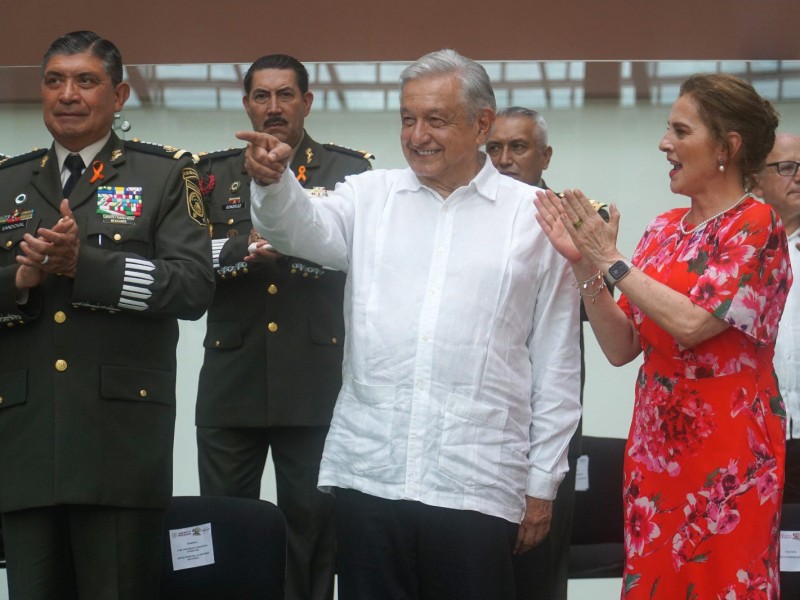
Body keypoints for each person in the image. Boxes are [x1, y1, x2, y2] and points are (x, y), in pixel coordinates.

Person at [238, 48, 582, 600]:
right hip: (371, 474)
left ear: (482, 123)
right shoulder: (371, 195)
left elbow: (558, 363)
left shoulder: (534, 217)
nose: (417, 134)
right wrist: (274, 183)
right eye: (407, 119)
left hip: (478, 480)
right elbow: (298, 231)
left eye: (436, 120)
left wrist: (542, 483)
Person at [535, 73, 790, 598]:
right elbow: (621, 346)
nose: (664, 144)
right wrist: (585, 265)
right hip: (655, 451)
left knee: (721, 583)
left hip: (727, 454)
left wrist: (610, 258)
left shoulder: (756, 224)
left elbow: (695, 323)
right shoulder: (662, 229)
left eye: (680, 130)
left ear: (727, 147)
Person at [0, 31, 214, 599]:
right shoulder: (7, 182)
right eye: (54, 81)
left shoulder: (166, 175)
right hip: (23, 444)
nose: (67, 94)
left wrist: (85, 266)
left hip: (118, 445)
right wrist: (19, 280)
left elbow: (194, 288)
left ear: (119, 96)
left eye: (85, 81)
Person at [195, 53, 372, 600]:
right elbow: (185, 258)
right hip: (233, 377)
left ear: (307, 102)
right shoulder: (209, 172)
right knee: (225, 528)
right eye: (262, 96)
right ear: (246, 102)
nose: (273, 108)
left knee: (312, 531)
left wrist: (295, 244)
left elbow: (361, 257)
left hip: (313, 377)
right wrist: (239, 249)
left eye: (285, 95)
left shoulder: (349, 172)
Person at [487, 106, 582, 599]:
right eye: (494, 148)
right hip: (482, 427)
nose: (504, 160)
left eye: (517, 147)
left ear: (544, 155)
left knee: (540, 568)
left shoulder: (578, 221)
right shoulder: (469, 215)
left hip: (547, 420)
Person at [754, 133, 800, 505]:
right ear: (756, 180)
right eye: (787, 168)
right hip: (757, 437)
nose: (799, 177)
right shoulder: (739, 250)